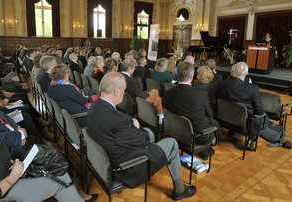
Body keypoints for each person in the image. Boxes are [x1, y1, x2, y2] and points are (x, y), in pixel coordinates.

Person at [87, 72, 196, 200]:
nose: (123, 93)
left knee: (149, 133)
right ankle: (179, 190)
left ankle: (154, 155)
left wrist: (132, 124)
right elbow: (140, 139)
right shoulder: (118, 120)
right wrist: (135, 127)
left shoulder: (95, 105)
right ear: (117, 91)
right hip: (126, 168)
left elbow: (119, 126)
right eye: (123, 90)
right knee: (171, 143)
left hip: (108, 154)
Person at [163, 62, 219, 160]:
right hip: (196, 136)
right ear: (191, 77)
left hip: (174, 131)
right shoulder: (201, 94)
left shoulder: (168, 93)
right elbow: (209, 114)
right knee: (214, 126)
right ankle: (206, 150)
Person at [216, 62, 266, 150]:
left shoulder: (222, 83)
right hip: (244, 123)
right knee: (263, 118)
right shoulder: (252, 88)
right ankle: (250, 140)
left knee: (234, 107)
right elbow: (260, 111)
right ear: (246, 73)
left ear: (233, 71)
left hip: (223, 118)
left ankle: (231, 132)